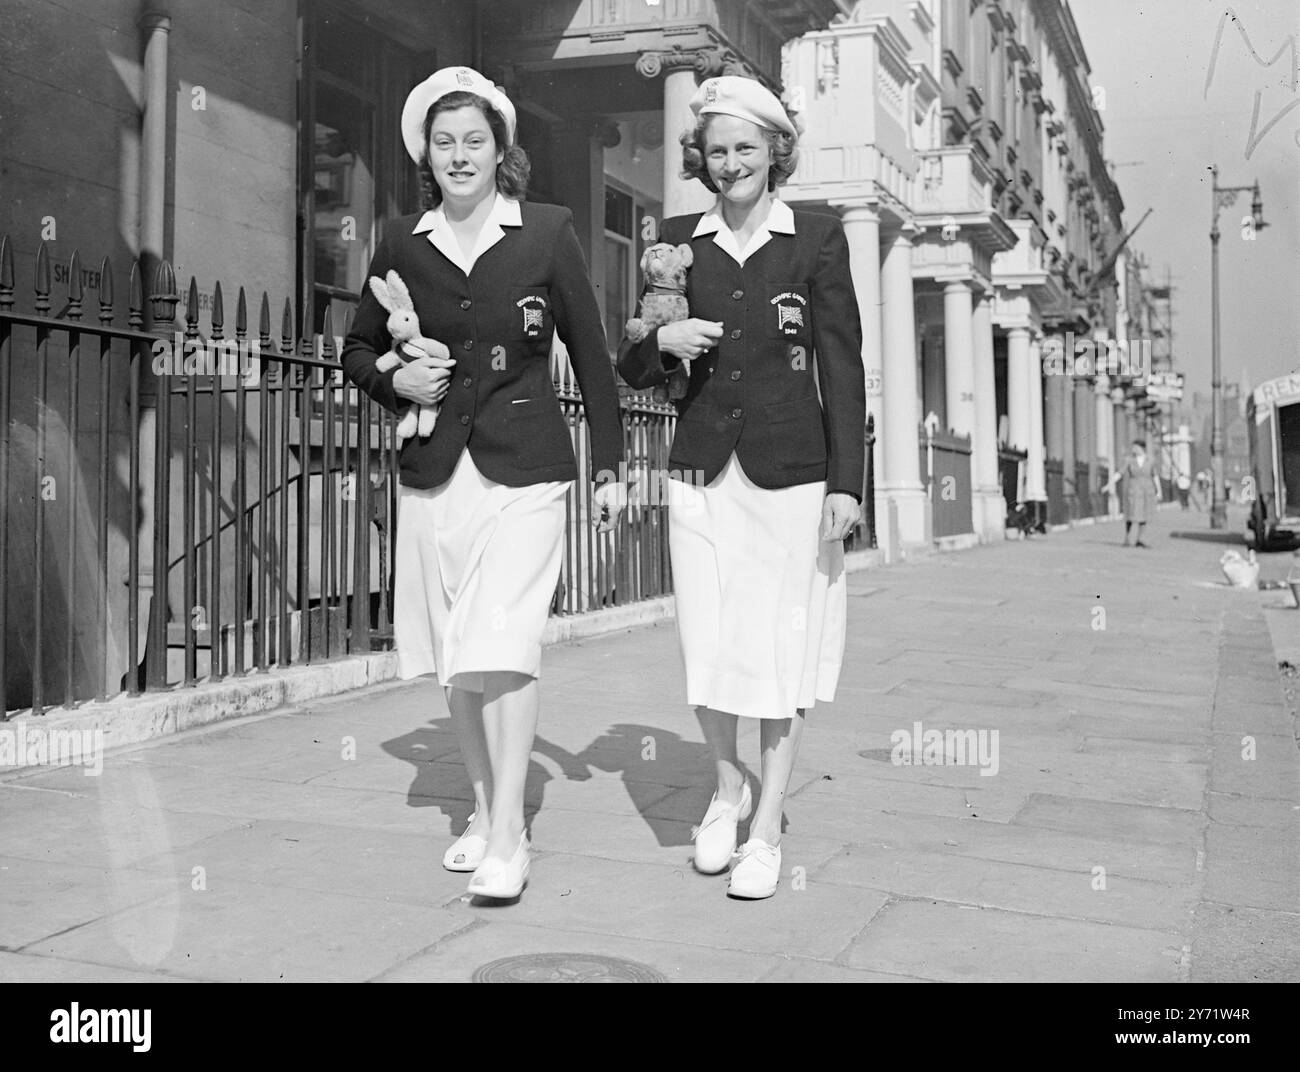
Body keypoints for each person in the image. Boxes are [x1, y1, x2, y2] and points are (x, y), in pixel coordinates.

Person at [342, 67, 625, 900]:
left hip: (526, 471)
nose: (460, 156)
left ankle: (510, 833)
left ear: (503, 151)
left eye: (476, 141)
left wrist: (609, 466)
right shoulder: (401, 242)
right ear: (425, 156)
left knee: (504, 642)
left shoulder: (547, 232)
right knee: (459, 662)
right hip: (436, 476)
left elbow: (597, 363)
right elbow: (358, 349)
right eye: (445, 142)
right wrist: (399, 383)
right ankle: (481, 802)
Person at [617, 76, 865, 900]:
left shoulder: (817, 237)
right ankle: (726, 792)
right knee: (711, 642)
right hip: (699, 470)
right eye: (717, 151)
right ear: (702, 159)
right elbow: (632, 363)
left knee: (779, 648)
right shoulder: (677, 240)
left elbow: (842, 365)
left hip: (792, 476)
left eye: (746, 149)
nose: (731, 165)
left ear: (775, 152)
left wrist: (847, 482)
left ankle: (767, 826)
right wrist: (667, 343)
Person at [1107, 439, 1161, 547]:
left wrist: (1159, 491)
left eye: (1135, 447)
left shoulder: (1150, 460)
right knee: (1131, 514)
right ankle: (1127, 537)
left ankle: (1139, 539)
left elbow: (1155, 476)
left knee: (1144, 514)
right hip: (1133, 489)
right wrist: (1110, 483)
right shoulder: (1129, 460)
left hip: (1147, 490)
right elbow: (1120, 473)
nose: (1133, 449)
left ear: (1141, 448)